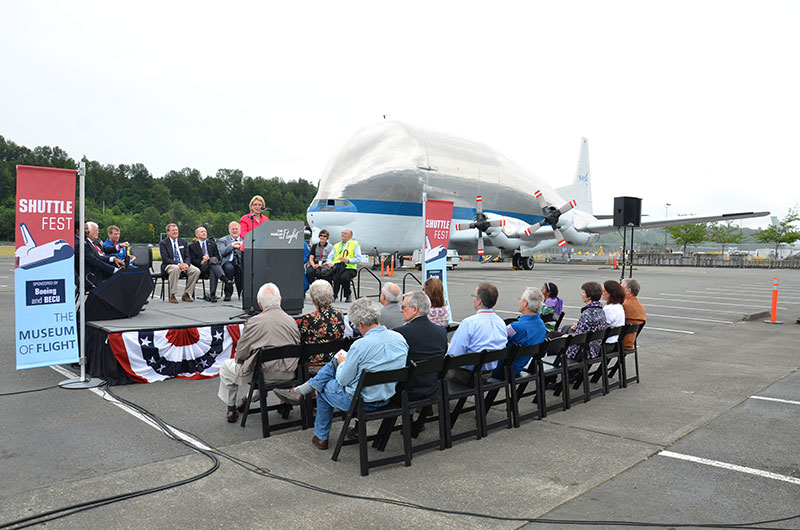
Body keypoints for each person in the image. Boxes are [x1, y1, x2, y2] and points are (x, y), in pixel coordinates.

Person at [274, 298, 408, 450]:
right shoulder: (399, 339)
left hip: (361, 401)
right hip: (387, 397)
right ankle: (304, 390)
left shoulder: (360, 345)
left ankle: (321, 436)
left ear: (361, 324)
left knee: (323, 387)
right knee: (335, 365)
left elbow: (343, 380)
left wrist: (343, 362)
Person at [217, 283, 301, 423]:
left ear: (259, 304)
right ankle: (249, 399)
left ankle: (231, 409)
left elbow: (240, 354)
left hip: (263, 376)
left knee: (227, 367)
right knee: (262, 365)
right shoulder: (292, 321)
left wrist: (243, 361)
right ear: (280, 300)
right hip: (290, 374)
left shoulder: (254, 322)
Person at [446, 282, 507, 385]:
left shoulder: (469, 323)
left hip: (465, 375)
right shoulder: (501, 323)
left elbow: (453, 356)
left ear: (479, 301)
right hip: (487, 374)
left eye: (474, 296)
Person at [395, 291, 447, 401]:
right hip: (433, 388)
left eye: (403, 307)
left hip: (406, 392)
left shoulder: (400, 334)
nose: (400, 310)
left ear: (415, 310)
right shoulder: (441, 331)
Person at [494, 287, 547, 378]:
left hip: (502, 370)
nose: (519, 301)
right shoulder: (541, 325)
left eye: (520, 299)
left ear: (525, 303)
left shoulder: (516, 327)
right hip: (518, 366)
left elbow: (496, 339)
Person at [296, 280, 345, 374]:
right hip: (335, 360)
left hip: (313, 363)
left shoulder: (308, 319)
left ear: (313, 299)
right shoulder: (339, 315)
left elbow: (301, 340)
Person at [564, 281, 607, 360]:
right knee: (566, 328)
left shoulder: (587, 313)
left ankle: (559, 368)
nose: (581, 294)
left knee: (555, 340)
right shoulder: (601, 311)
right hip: (594, 347)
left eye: (583, 292)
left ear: (589, 297)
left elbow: (579, 337)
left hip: (584, 351)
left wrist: (567, 336)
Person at [159, 223, 201, 304]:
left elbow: (188, 256)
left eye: (176, 230)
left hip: (183, 264)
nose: (175, 232)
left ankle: (187, 294)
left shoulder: (183, 242)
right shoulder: (163, 243)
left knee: (196, 271)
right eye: (173, 230)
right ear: (168, 232)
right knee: (175, 268)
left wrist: (186, 264)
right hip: (170, 265)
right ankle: (172, 295)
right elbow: (165, 258)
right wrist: (178, 264)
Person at [188, 226, 230, 303]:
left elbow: (218, 257)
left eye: (205, 232)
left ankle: (213, 294)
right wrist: (202, 261)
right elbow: (192, 260)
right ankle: (225, 280)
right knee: (213, 264)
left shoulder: (212, 244)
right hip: (201, 268)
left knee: (212, 267)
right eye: (202, 232)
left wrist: (210, 258)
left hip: (212, 266)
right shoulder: (192, 246)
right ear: (197, 235)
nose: (204, 233)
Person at [327, 228, 365, 302]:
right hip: (337, 267)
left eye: (345, 233)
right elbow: (330, 257)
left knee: (344, 278)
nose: (343, 235)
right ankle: (331, 295)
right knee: (325, 275)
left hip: (349, 267)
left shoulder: (355, 244)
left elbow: (358, 258)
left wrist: (348, 260)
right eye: (342, 233)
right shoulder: (337, 245)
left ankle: (348, 294)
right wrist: (329, 263)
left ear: (350, 236)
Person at [217, 221, 243, 301]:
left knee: (242, 269)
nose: (235, 230)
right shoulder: (223, 240)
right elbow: (222, 252)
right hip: (228, 261)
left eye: (236, 229)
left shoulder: (245, 239)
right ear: (229, 230)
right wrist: (232, 245)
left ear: (240, 229)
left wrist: (242, 245)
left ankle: (242, 293)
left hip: (241, 261)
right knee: (229, 269)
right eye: (233, 229)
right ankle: (228, 294)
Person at [621, 278, 646, 351]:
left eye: (621, 288)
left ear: (628, 291)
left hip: (620, 343)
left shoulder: (625, 306)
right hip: (630, 343)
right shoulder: (640, 307)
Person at [602, 280, 626, 345]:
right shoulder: (619, 306)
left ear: (611, 293)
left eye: (604, 291)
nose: (602, 293)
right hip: (615, 343)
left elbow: (601, 326)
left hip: (606, 344)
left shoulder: (609, 309)